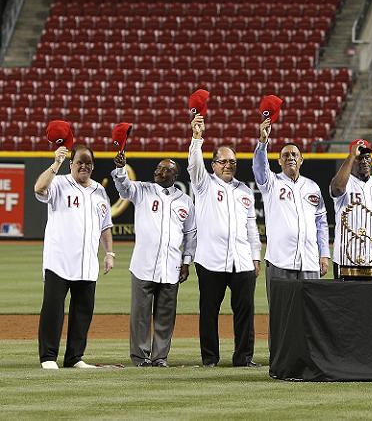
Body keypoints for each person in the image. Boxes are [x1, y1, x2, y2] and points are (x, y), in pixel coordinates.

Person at [188, 114, 262, 368]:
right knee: (209, 312)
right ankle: (210, 358)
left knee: (245, 312)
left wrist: (255, 256)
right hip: (211, 260)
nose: (228, 165)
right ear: (214, 165)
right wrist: (197, 139)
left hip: (241, 260)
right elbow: (194, 165)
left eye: (232, 161)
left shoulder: (244, 190)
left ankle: (244, 358)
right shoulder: (203, 184)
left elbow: (251, 226)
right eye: (223, 161)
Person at [111, 153, 196, 367]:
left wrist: (186, 262)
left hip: (171, 266)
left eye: (166, 169)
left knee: (165, 316)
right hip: (143, 264)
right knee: (140, 315)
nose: (159, 171)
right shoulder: (142, 190)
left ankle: (160, 357)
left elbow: (191, 234)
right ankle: (140, 357)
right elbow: (124, 188)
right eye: (158, 168)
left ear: (175, 175)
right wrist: (121, 169)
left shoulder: (185, 201)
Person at [34, 144, 114, 369]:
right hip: (58, 261)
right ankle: (48, 357)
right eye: (80, 162)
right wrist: (55, 164)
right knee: (53, 310)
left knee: (82, 312)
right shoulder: (58, 183)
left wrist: (109, 253)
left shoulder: (99, 191)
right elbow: (39, 189)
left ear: (93, 166)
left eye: (88, 163)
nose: (84, 166)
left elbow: (105, 226)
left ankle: (74, 357)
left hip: (87, 263)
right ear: (72, 164)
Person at [253, 118, 331, 298]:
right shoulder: (271, 183)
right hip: (280, 261)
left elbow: (321, 223)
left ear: (301, 160)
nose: (290, 158)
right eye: (285, 155)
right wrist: (263, 142)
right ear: (279, 161)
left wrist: (324, 254)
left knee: (309, 315)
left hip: (310, 261)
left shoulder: (313, 187)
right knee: (281, 314)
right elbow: (259, 168)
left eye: (294, 155)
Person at [330, 139, 372, 275]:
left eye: (367, 157)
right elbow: (337, 188)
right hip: (345, 260)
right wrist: (352, 155)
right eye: (360, 158)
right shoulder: (344, 183)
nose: (364, 161)